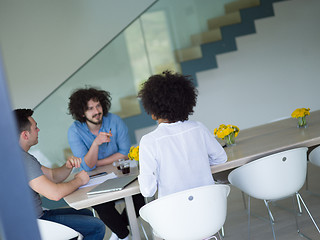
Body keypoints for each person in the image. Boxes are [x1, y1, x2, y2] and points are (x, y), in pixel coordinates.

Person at [14, 108, 106, 240]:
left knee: (86, 214)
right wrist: (79, 180)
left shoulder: (19, 157)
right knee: (97, 227)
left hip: (34, 220)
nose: (38, 130)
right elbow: (55, 194)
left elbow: (52, 176)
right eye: (35, 127)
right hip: (35, 224)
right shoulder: (23, 160)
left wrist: (67, 166)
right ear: (25, 135)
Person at [67, 87, 145, 240]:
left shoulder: (114, 120)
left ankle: (119, 232)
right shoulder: (74, 131)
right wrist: (95, 144)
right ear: (82, 113)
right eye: (90, 109)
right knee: (101, 204)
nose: (97, 111)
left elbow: (124, 152)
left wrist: (95, 162)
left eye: (98, 105)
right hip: (94, 180)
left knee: (139, 198)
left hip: (120, 173)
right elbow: (87, 167)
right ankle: (124, 235)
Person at [137, 71, 228, 198]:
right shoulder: (198, 128)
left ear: (152, 111)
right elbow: (221, 158)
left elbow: (147, 191)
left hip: (176, 214)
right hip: (210, 208)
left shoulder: (149, 141)